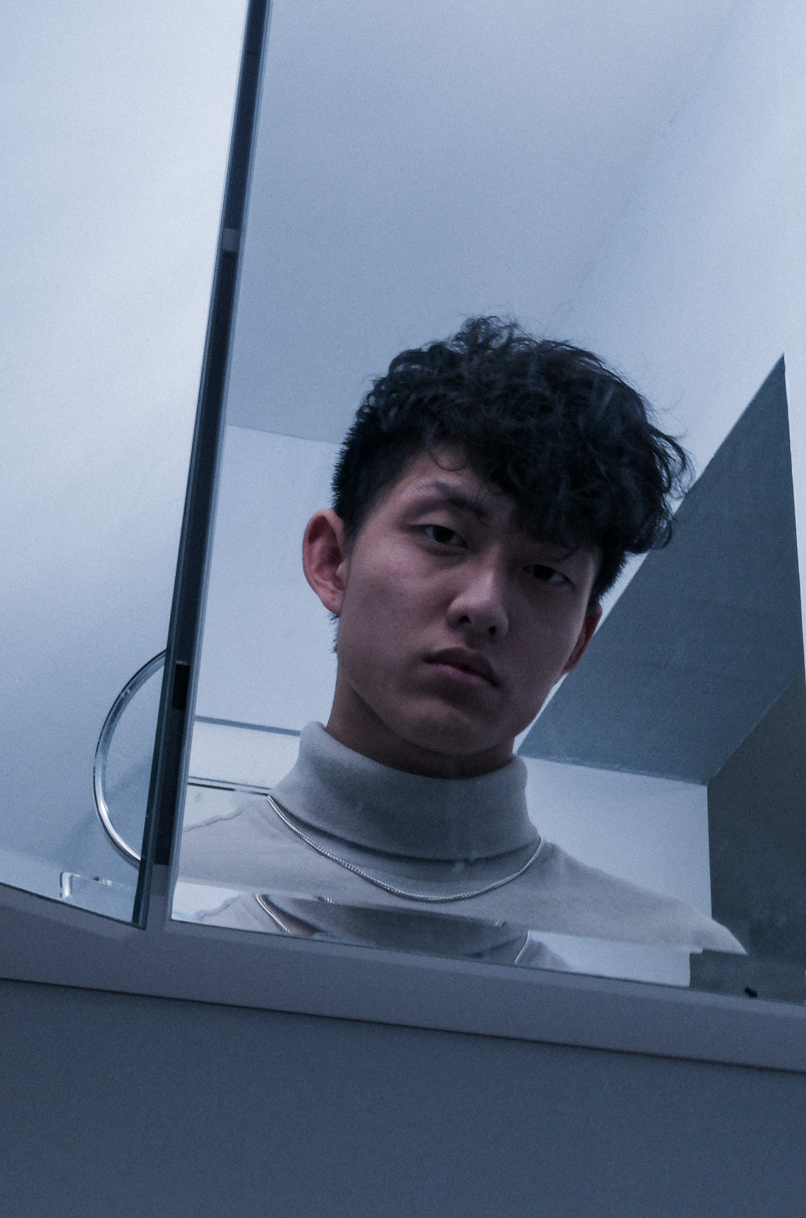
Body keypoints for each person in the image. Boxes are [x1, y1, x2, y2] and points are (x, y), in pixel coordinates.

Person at [178, 317, 743, 969]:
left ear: (578, 642)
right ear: (334, 559)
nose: (485, 605)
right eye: (444, 534)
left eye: (545, 571)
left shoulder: (680, 952)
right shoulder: (137, 897)